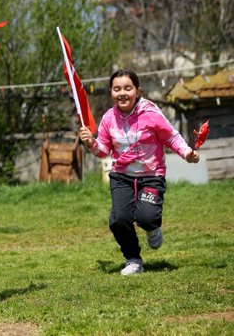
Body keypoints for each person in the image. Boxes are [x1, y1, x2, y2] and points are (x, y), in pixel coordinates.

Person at [80, 69, 200, 276]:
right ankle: (133, 259)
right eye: (117, 89)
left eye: (128, 88)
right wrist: (91, 142)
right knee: (119, 220)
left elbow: (171, 137)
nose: (122, 93)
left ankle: (152, 227)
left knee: (146, 218)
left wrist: (187, 153)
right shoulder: (109, 118)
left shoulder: (151, 113)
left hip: (151, 175)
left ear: (137, 90)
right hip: (121, 176)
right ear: (111, 92)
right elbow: (103, 151)